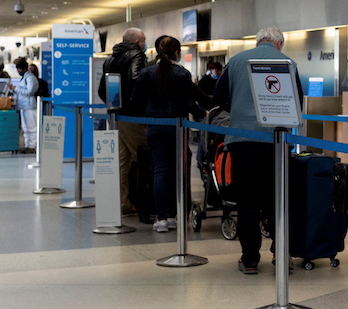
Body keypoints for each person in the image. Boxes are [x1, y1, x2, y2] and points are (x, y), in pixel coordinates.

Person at [213, 26, 302, 274]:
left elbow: (219, 97)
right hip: (276, 142)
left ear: (258, 41)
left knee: (247, 202)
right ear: (279, 44)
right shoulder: (288, 63)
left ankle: (250, 259)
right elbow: (297, 100)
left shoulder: (237, 60)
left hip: (241, 140)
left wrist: (241, 109)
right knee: (278, 201)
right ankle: (281, 257)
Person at [130, 36, 197, 233]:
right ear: (177, 52)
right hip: (176, 126)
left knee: (160, 171)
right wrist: (205, 115)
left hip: (153, 126)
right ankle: (175, 216)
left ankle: (161, 218)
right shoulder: (182, 74)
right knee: (177, 172)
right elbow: (189, 104)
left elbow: (136, 101)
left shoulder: (146, 73)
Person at [100, 28, 149, 216]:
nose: (145, 44)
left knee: (122, 161)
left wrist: (114, 105)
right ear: (137, 41)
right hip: (133, 115)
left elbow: (102, 89)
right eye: (144, 41)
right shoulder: (137, 55)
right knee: (143, 156)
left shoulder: (110, 58)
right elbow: (138, 81)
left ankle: (123, 202)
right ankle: (145, 202)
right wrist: (139, 107)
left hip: (116, 114)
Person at [13, 57, 38, 154]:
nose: (18, 71)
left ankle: (33, 146)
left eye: (18, 69)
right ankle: (28, 145)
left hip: (30, 106)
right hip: (23, 106)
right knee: (26, 128)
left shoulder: (31, 78)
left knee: (32, 128)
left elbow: (30, 91)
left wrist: (16, 89)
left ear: (23, 69)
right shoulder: (24, 78)